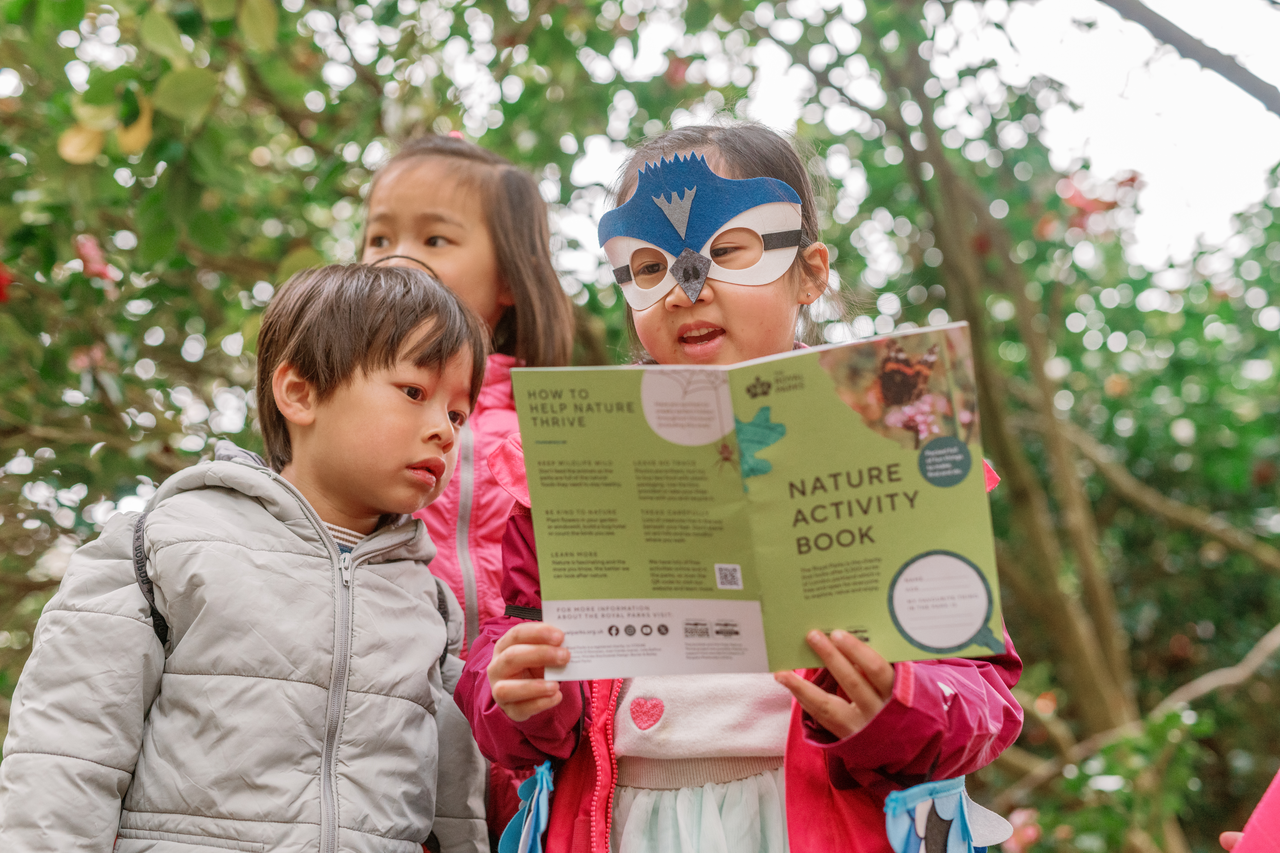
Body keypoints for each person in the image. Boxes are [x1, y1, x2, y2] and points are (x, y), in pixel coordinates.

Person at [455, 123, 1025, 853]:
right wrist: (519, 691)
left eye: (727, 251)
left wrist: (897, 704)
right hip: (618, 824)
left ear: (810, 272)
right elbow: (512, 637)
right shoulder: (573, 459)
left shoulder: (894, 438)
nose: (689, 287)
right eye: (651, 264)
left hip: (815, 824)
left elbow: (982, 692)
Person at [0, 265, 490, 852]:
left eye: (458, 414)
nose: (443, 430)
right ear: (300, 393)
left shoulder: (427, 600)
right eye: (414, 392)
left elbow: (457, 807)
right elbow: (64, 753)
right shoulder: (164, 544)